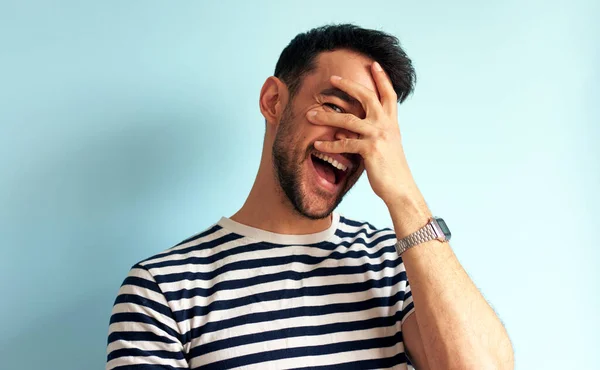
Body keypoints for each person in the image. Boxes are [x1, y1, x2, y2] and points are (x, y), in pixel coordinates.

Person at [106, 24, 514, 370]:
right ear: (273, 101)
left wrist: (403, 192)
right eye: (335, 108)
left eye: (369, 127)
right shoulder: (162, 289)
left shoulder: (395, 263)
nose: (348, 140)